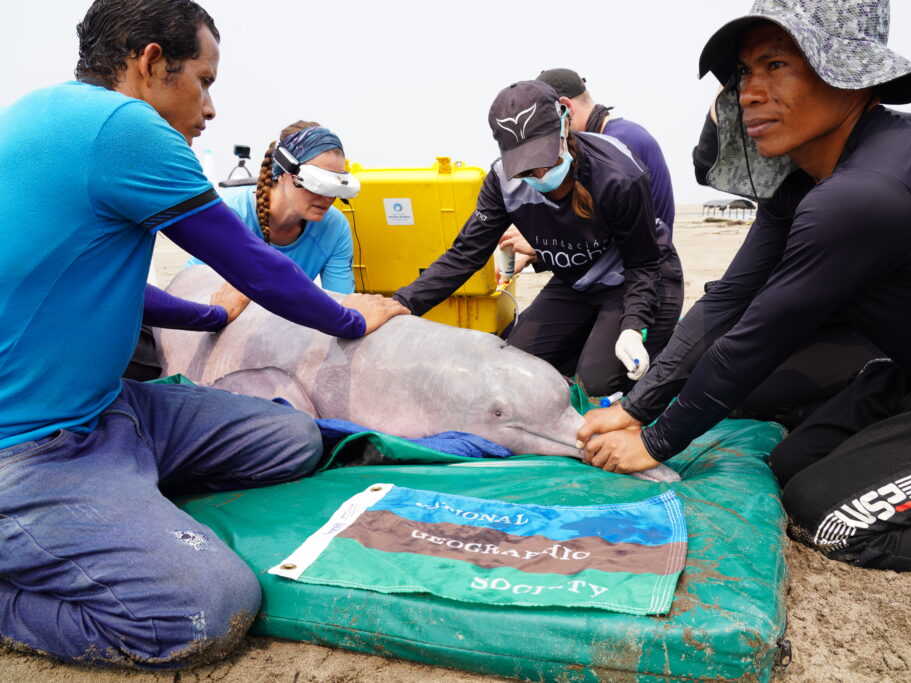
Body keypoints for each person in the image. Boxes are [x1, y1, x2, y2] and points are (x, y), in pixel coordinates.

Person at [0, 0, 406, 669]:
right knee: (207, 608)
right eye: (205, 80)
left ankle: (124, 491)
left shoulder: (44, 115)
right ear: (151, 63)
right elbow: (256, 267)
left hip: (111, 409)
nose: (211, 107)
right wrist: (356, 317)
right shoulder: (125, 126)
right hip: (33, 448)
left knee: (293, 438)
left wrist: (212, 317)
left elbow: (98, 285)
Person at [578, 0, 911, 572]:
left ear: (853, 78)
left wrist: (657, 442)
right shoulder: (806, 182)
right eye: (744, 72)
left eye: (777, 65)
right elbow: (730, 301)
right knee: (790, 465)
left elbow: (760, 334)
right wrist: (638, 407)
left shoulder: (866, 192)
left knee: (830, 520)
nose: (749, 93)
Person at [393, 80, 683, 398]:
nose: (539, 174)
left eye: (544, 157)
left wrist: (632, 327)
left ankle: (654, 355)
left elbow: (644, 263)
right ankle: (587, 349)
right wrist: (400, 305)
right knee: (512, 370)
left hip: (639, 280)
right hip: (579, 282)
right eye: (525, 166)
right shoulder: (502, 182)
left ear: (564, 122)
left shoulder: (617, 175)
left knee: (597, 385)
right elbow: (464, 255)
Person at [185, 120, 356, 294]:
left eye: (334, 187)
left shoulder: (335, 228)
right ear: (283, 173)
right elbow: (194, 290)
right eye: (316, 184)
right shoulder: (229, 212)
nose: (328, 198)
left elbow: (342, 303)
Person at [537, 68, 676, 232]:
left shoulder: (619, 142)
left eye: (545, 121)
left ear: (565, 107)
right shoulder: (619, 134)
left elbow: (597, 228)